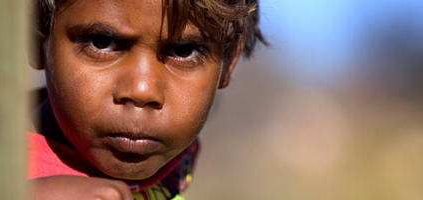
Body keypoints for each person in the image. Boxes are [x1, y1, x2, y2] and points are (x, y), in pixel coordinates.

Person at [28, 0, 266, 199]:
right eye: (102, 42)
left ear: (228, 62)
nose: (142, 91)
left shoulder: (176, 160)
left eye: (184, 50)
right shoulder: (0, 170)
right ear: (37, 41)